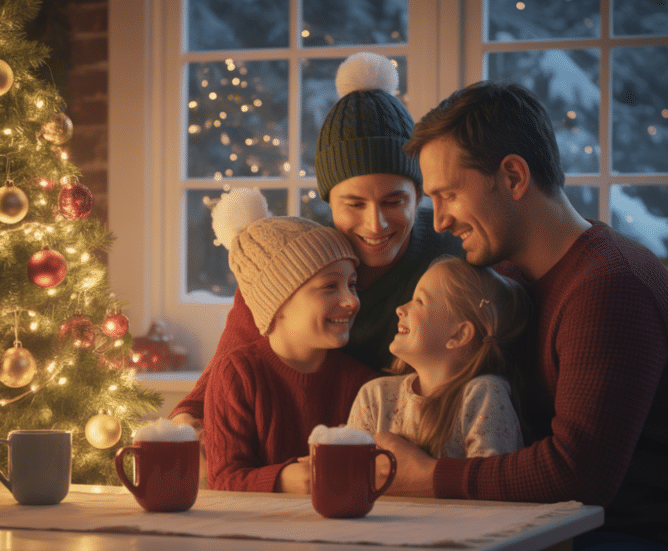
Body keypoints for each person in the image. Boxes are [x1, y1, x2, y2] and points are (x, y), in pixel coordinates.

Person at [377, 81, 668, 551]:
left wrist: (428, 478)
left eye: (449, 195)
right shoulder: (504, 283)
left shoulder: (611, 286)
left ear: (512, 176)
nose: (439, 221)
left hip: (657, 542)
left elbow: (579, 474)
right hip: (553, 530)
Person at [170, 52, 462, 430]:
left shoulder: (450, 256)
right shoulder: (289, 261)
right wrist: (188, 419)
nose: (376, 223)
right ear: (328, 200)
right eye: (354, 203)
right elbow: (234, 362)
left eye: (394, 201)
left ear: (418, 196)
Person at [203, 188, 378, 494]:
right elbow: (223, 478)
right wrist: (283, 480)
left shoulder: (363, 382)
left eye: (352, 285)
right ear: (278, 303)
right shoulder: (237, 374)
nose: (351, 301)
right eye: (330, 287)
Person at [347, 255, 529, 459]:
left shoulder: (483, 395)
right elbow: (351, 476)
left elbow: (487, 481)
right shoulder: (375, 397)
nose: (400, 309)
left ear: (458, 335)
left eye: (420, 301)